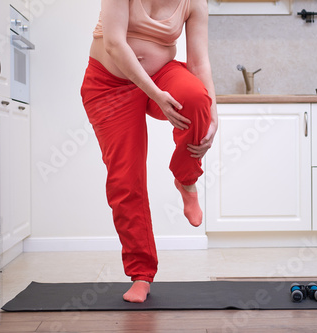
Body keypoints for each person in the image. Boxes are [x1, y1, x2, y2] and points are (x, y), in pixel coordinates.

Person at [80, 0, 217, 303]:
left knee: (196, 98)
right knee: (125, 180)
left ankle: (186, 178)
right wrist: (153, 93)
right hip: (108, 85)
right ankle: (141, 273)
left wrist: (214, 114)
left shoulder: (195, 3)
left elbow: (199, 63)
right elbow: (115, 44)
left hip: (161, 75)